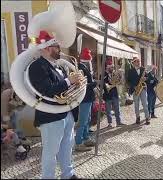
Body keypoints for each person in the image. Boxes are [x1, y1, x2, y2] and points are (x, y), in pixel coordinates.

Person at [28, 30, 81, 179]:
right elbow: (47, 90)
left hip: (66, 112)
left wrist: (75, 84)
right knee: (50, 152)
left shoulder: (58, 66)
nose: (59, 49)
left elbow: (64, 88)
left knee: (67, 146)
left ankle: (68, 174)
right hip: (50, 116)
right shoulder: (37, 66)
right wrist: (69, 81)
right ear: (46, 48)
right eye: (56, 46)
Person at [74, 48, 97, 152]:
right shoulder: (81, 68)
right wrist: (94, 84)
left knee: (87, 120)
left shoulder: (84, 67)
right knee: (82, 121)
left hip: (88, 97)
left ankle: (86, 138)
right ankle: (78, 142)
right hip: (84, 98)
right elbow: (82, 84)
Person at [127, 57, 150, 125]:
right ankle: (138, 117)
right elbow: (128, 81)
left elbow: (148, 78)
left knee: (145, 104)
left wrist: (145, 78)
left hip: (142, 89)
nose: (138, 62)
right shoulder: (130, 71)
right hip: (135, 89)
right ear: (133, 63)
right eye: (136, 61)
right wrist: (133, 86)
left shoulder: (143, 69)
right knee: (136, 105)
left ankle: (147, 118)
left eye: (139, 61)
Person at [103, 58, 125, 128]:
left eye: (113, 67)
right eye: (111, 67)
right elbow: (103, 84)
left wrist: (121, 78)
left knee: (117, 109)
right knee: (108, 110)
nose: (112, 68)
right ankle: (110, 123)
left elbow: (119, 81)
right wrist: (110, 85)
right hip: (107, 95)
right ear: (107, 67)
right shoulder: (104, 74)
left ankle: (119, 122)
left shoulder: (115, 73)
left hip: (115, 94)